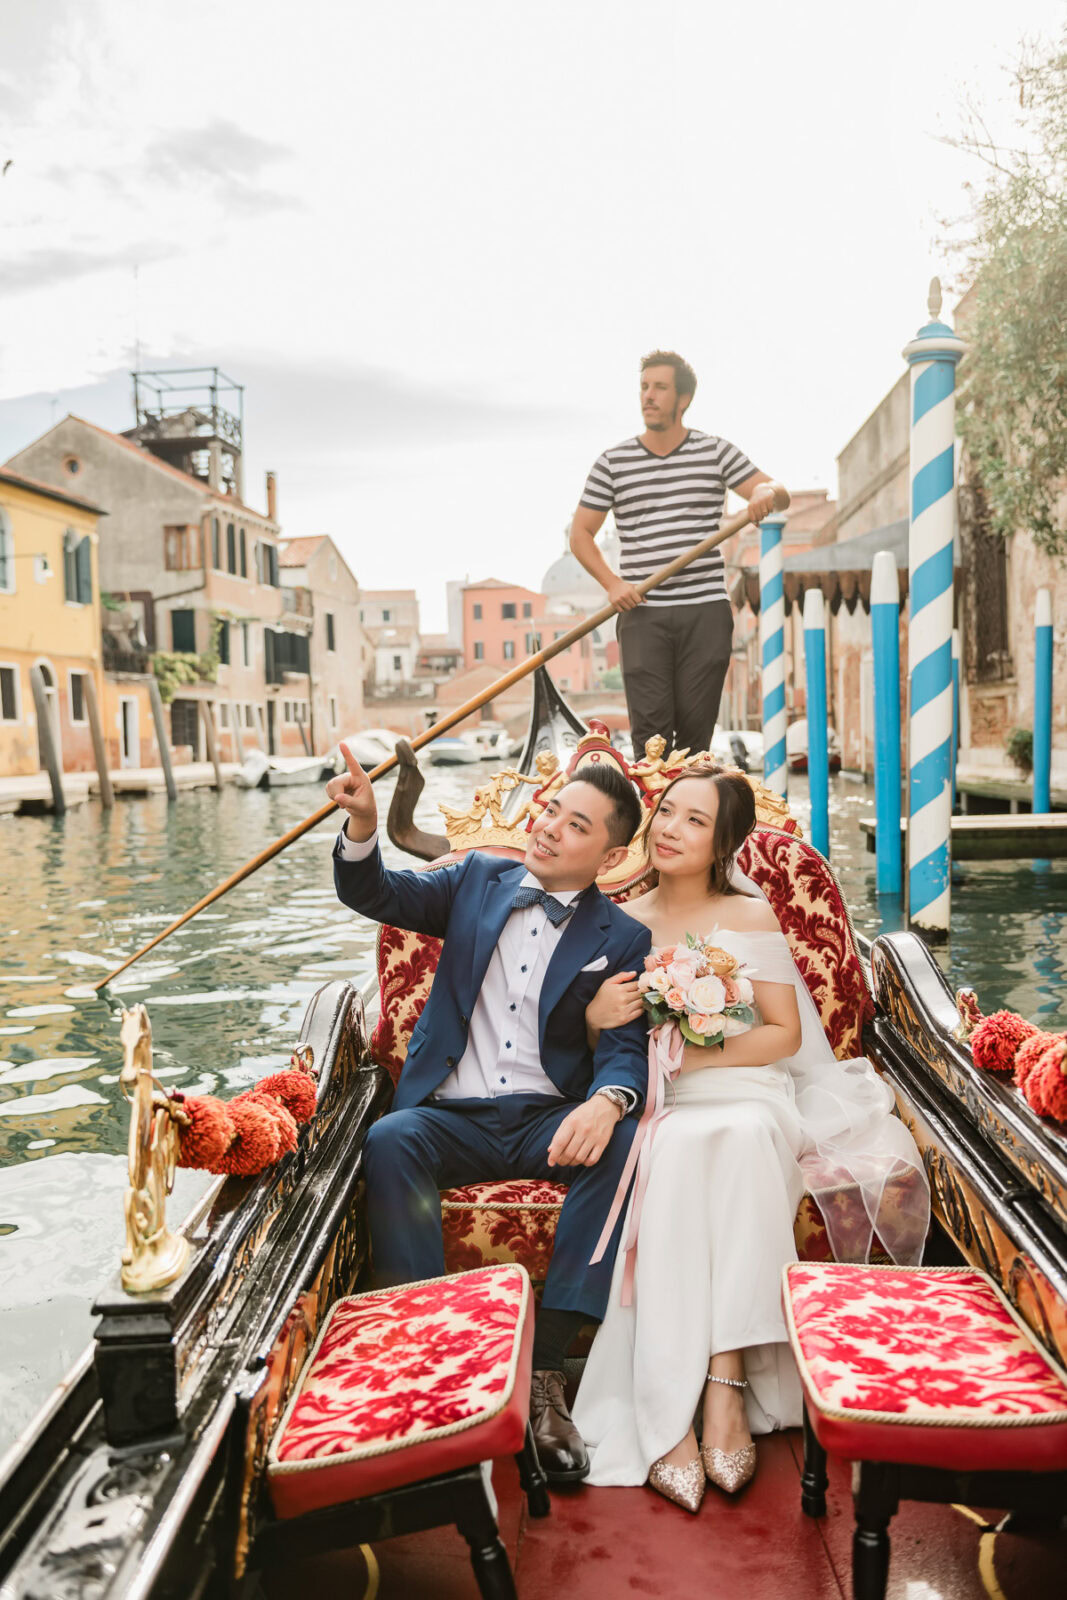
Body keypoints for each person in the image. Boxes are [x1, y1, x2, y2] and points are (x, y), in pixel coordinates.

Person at [571, 766, 929, 1513]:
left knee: (734, 1135)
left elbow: (780, 1034)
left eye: (693, 821)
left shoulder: (748, 916)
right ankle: (669, 1403)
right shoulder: (617, 919)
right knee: (670, 1150)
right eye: (666, 812)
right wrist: (600, 1026)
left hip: (746, 1088)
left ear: (721, 841)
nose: (669, 827)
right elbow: (588, 1038)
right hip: (662, 1103)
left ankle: (723, 1387)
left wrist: (690, 1051)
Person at [327, 746, 653, 1483]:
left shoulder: (623, 937)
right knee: (389, 1137)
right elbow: (376, 894)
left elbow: (625, 1050)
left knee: (626, 1139)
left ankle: (545, 1381)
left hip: (547, 1119)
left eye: (574, 826)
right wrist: (362, 827)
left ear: (612, 852)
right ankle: (424, 1345)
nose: (546, 830)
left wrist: (606, 1101)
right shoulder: (476, 879)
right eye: (548, 813)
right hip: (456, 1117)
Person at [569, 350, 790, 756]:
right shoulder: (612, 463)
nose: (648, 396)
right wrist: (612, 583)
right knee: (650, 742)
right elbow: (580, 534)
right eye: (644, 387)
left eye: (660, 388)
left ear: (683, 399)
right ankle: (651, 817)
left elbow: (777, 491)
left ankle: (690, 816)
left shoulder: (715, 452)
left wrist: (763, 492)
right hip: (641, 613)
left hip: (704, 611)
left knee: (694, 740)